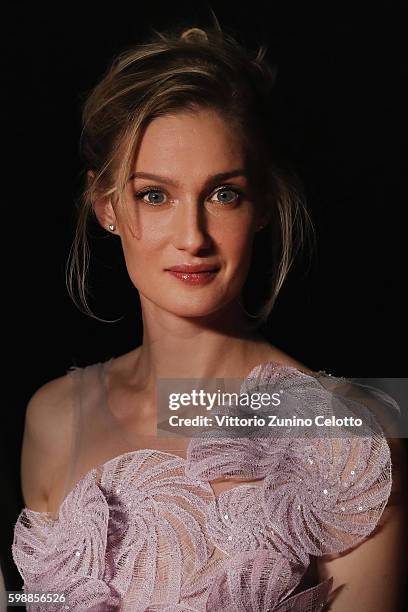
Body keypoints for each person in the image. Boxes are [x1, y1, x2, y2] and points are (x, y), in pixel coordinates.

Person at [11, 17, 406, 612]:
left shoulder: (342, 432)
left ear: (265, 205)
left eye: (224, 194)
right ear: (106, 206)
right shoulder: (52, 415)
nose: (192, 236)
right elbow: (36, 602)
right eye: (155, 195)